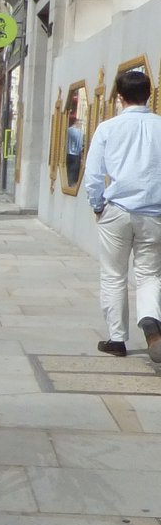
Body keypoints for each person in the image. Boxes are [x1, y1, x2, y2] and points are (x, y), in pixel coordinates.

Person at [83, 67, 161, 362]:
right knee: (150, 273)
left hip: (116, 209)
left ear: (119, 97)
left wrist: (97, 205)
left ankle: (117, 338)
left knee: (114, 274)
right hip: (155, 212)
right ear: (149, 95)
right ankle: (152, 323)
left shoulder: (107, 128)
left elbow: (93, 175)